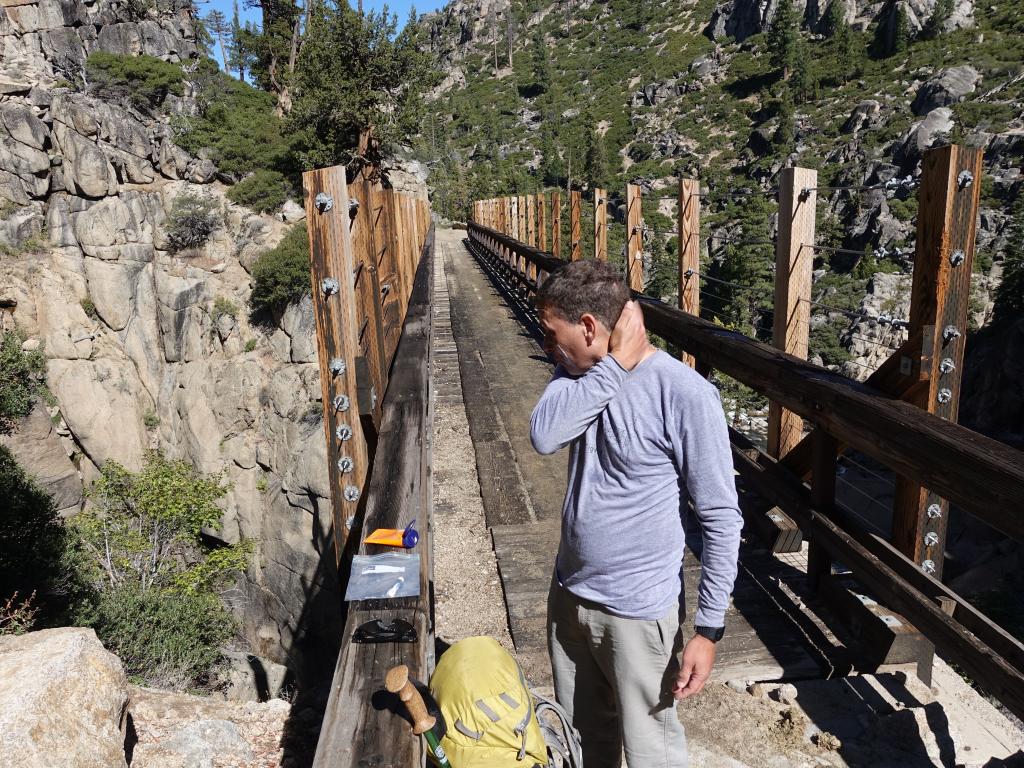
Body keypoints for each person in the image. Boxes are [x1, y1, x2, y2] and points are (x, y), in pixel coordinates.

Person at [529, 260, 743, 768]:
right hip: (570, 597)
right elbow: (543, 436)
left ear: (587, 326)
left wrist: (708, 631)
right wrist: (615, 368)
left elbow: (721, 518)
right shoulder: (575, 375)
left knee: (652, 751)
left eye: (551, 334)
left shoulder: (685, 393)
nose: (546, 346)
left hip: (638, 611)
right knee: (584, 740)